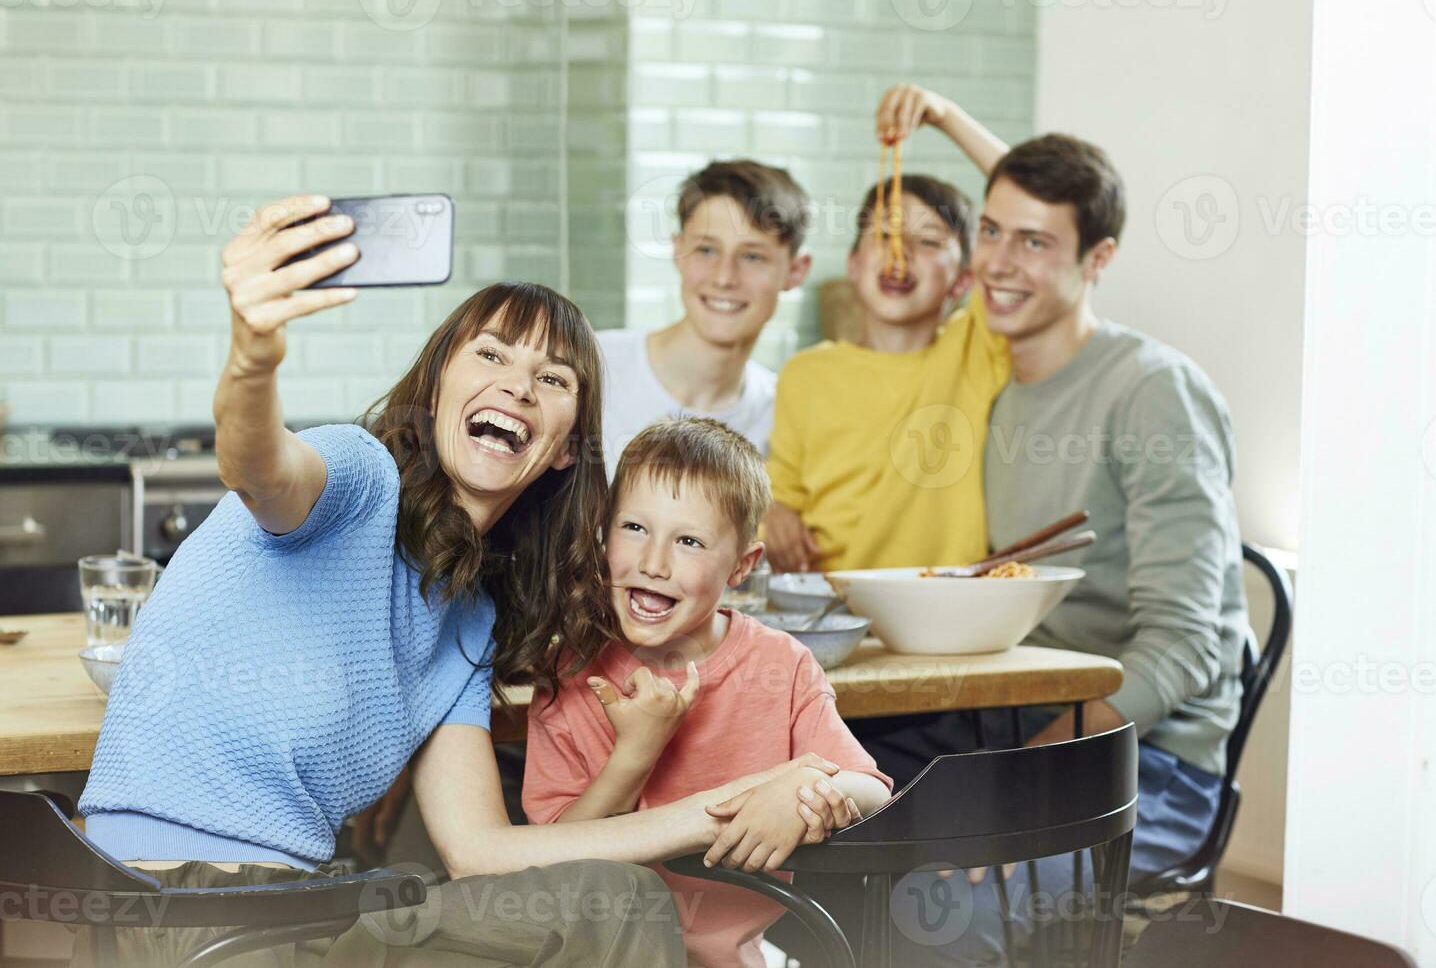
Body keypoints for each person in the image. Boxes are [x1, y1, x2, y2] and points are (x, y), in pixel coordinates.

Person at [69, 196, 853, 968]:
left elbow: (482, 853)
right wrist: (253, 354)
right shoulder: (358, 476)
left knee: (618, 904)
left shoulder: (468, 618)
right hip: (175, 907)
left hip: (298, 913)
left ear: (565, 452)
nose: (517, 385)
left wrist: (728, 804)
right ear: (438, 384)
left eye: (551, 378)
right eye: (491, 355)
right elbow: (258, 468)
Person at [886, 112, 1251, 965]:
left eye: (1036, 244)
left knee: (935, 909)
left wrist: (1015, 786)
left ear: (1099, 261)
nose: (999, 264)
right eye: (989, 232)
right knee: (817, 824)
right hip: (1006, 725)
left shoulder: (1151, 391)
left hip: (1146, 765)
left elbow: (1190, 647)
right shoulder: (993, 388)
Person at [523, 418, 892, 968]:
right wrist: (637, 751)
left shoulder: (780, 664)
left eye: (689, 541)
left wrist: (802, 791)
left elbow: (874, 793)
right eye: (634, 528)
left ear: (742, 566)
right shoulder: (569, 673)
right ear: (603, 532)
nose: (653, 562)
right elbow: (555, 865)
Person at [762, 87, 1011, 574]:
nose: (901, 253)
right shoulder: (807, 373)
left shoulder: (977, 349)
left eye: (928, 241)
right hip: (831, 613)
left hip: (945, 606)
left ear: (965, 280)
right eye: (884, 235)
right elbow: (777, 493)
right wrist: (771, 514)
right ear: (854, 264)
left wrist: (946, 116)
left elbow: (1039, 199)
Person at [599, 160, 813, 477]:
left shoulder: (786, 417)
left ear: (795, 271)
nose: (724, 278)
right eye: (706, 250)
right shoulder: (593, 366)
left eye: (752, 256)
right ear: (677, 251)